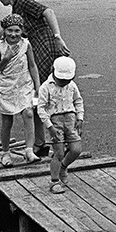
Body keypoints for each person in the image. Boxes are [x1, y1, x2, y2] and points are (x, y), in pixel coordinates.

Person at [0, 0, 71, 159]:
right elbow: (15, 26)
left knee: (45, 98)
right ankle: (40, 143)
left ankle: (60, 142)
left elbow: (48, 12)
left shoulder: (24, 2)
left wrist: (58, 37)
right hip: (37, 50)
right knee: (37, 101)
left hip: (44, 49)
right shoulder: (17, 7)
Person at [0, 14, 42, 167]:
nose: (13, 34)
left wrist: (37, 86)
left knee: (28, 114)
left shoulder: (26, 44)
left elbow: (32, 65)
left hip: (24, 84)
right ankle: (5, 153)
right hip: (7, 86)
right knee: (7, 121)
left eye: (17, 31)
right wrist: (5, 59)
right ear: (4, 31)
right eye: (10, 31)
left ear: (21, 31)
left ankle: (29, 150)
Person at [37, 56, 84, 194]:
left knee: (76, 149)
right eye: (61, 80)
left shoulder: (72, 86)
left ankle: (63, 166)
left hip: (70, 119)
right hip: (54, 122)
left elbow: (78, 101)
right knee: (59, 152)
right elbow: (41, 108)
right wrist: (49, 127)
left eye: (67, 80)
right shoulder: (46, 87)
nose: (64, 82)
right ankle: (54, 181)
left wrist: (80, 118)